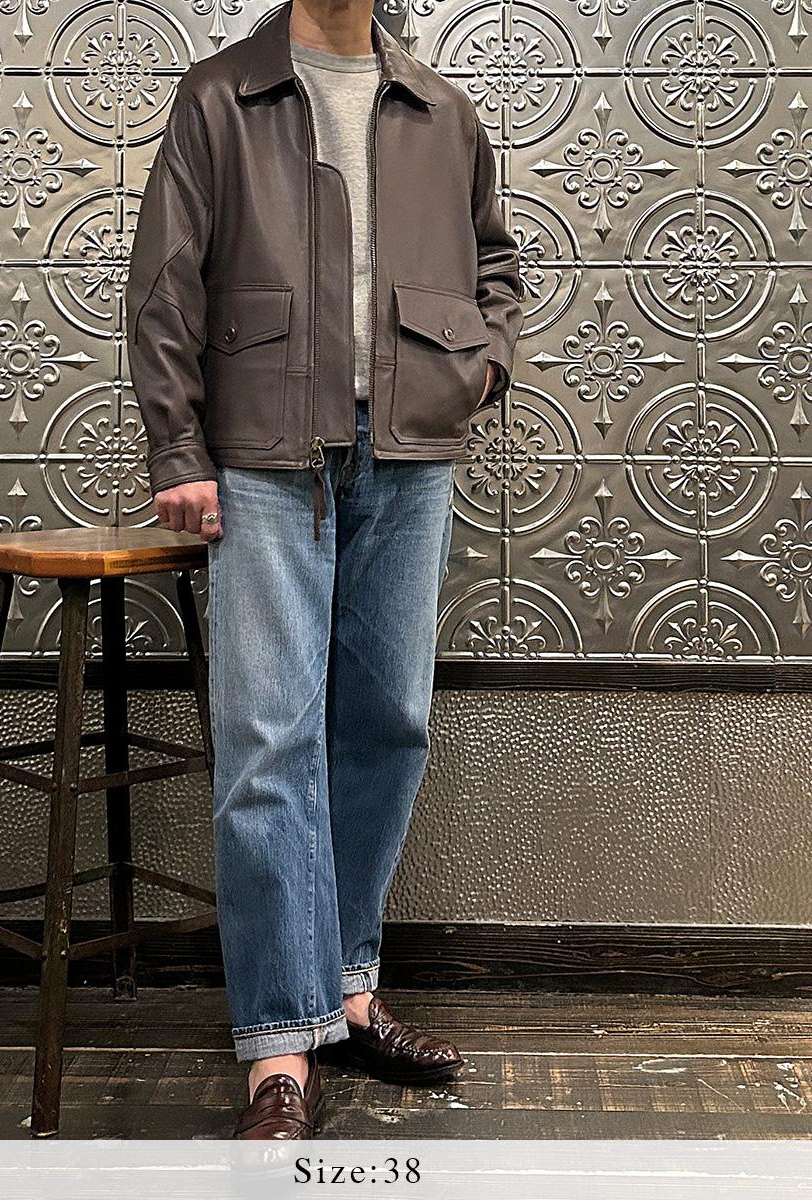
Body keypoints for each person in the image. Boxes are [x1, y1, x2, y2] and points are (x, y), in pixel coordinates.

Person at [126, 0, 523, 1139]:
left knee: (388, 722)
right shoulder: (220, 95)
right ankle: (276, 1045)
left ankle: (346, 989)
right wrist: (178, 449)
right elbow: (165, 282)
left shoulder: (444, 109)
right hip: (261, 452)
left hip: (409, 451)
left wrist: (482, 366)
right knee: (267, 739)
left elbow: (499, 264)